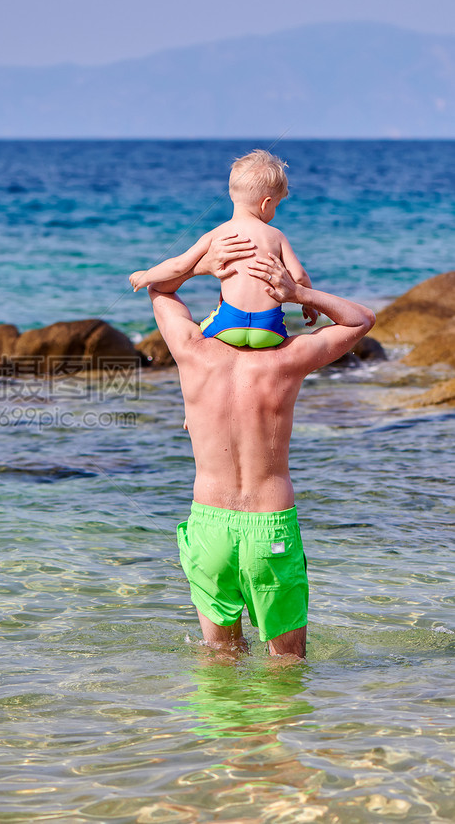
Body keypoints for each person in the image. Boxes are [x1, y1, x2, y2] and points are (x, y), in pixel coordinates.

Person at [147, 248, 375, 658]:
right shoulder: (288, 360)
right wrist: (301, 293)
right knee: (287, 663)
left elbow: (158, 286)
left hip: (210, 525)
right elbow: (361, 319)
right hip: (269, 526)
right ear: (278, 310)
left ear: (219, 305)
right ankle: (274, 723)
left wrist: (204, 264)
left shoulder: (190, 350)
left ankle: (223, 722)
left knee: (220, 662)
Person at [130, 150, 318, 348]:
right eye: (276, 206)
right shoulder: (276, 236)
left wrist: (146, 276)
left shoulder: (216, 234)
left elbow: (178, 266)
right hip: (269, 329)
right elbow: (299, 277)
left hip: (229, 326)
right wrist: (309, 304)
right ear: (266, 204)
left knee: (199, 333)